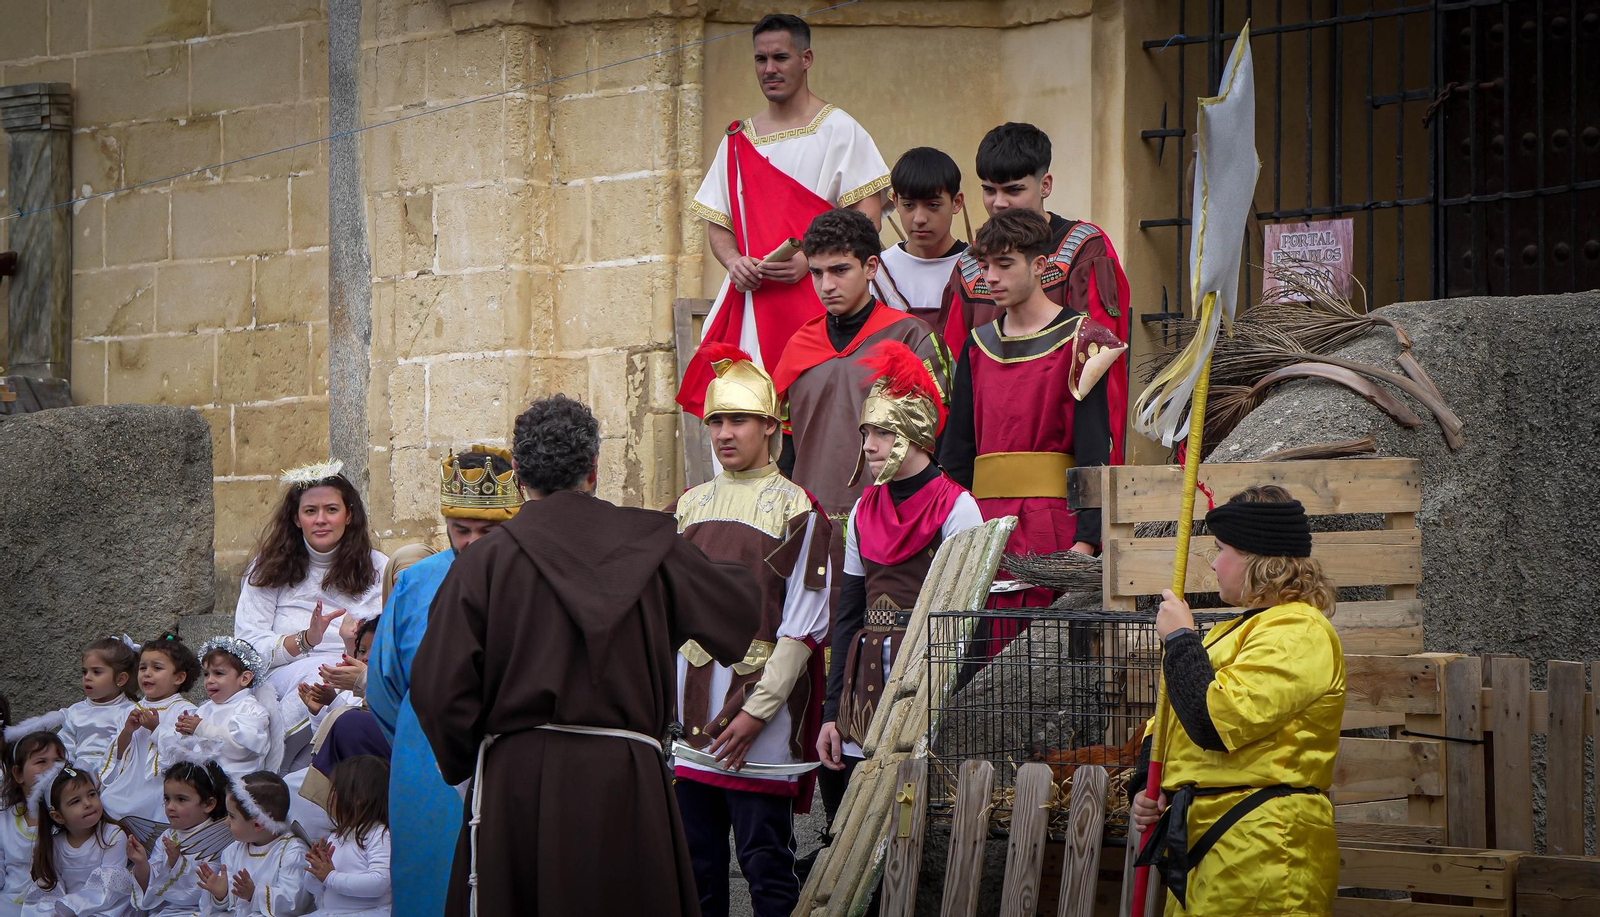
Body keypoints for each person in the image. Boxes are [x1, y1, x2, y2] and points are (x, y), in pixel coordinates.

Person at [411, 395, 762, 917]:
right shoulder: (656, 549)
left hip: (517, 789)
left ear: (520, 476)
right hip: (627, 785)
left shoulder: (483, 562)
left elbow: (437, 686)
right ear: (595, 468)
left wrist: (477, 754)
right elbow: (737, 610)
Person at [1130, 486, 1345, 917]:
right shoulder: (1230, 633)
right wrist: (1145, 788)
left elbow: (1214, 721)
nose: (1213, 562)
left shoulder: (1297, 632)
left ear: (1258, 560)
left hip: (1264, 849)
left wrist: (1179, 639)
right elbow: (1168, 722)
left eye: (1222, 549)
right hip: (1209, 846)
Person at [674, 346, 830, 917]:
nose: (723, 433)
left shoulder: (800, 511)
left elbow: (803, 628)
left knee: (766, 865)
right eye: (715, 421)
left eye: (737, 419)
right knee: (697, 868)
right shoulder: (687, 508)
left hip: (759, 730)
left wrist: (755, 713)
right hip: (690, 726)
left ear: (770, 425)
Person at [678, 13, 892, 417]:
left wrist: (810, 262)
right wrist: (733, 262)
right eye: (761, 59)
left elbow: (869, 219)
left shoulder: (840, 130)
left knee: (820, 411)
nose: (769, 69)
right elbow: (718, 224)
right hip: (752, 305)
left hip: (820, 297)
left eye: (780, 57)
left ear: (806, 58)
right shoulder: (738, 139)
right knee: (745, 411)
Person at [937, 209, 1124, 649]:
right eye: (984, 266)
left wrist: (1087, 541)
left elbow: (1095, 450)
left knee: (1046, 654)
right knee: (977, 652)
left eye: (1005, 265)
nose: (991, 278)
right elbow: (958, 452)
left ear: (1040, 266)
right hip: (981, 524)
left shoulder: (1083, 339)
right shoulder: (977, 343)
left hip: (1053, 525)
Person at [814, 341, 983, 822]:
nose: (868, 444)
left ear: (914, 433)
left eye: (883, 432)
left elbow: (962, 628)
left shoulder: (958, 508)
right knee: (844, 820)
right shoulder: (863, 509)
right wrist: (831, 713)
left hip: (924, 686)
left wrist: (947, 713)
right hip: (860, 687)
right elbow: (847, 617)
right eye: (867, 431)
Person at [365, 447, 521, 917]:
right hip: (426, 767)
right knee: (430, 889)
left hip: (510, 758)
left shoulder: (535, 580)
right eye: (461, 530)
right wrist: (425, 737)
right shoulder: (416, 584)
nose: (472, 543)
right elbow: (383, 685)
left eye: (488, 532)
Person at [771, 209, 947, 613]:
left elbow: (935, 442)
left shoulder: (910, 336)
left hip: (892, 522)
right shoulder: (799, 344)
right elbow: (786, 446)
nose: (826, 285)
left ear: (871, 267)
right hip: (809, 523)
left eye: (839, 270)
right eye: (816, 273)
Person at [936, 123, 1133, 463]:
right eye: (988, 190)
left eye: (1013, 190)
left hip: (1063, 457)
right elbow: (952, 371)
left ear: (1045, 185)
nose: (998, 203)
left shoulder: (1085, 250)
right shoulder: (970, 268)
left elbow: (1101, 370)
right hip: (985, 459)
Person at [233, 461, 387, 755]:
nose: (321, 520)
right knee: (317, 680)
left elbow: (390, 640)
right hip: (286, 673)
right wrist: (304, 640)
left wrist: (352, 642)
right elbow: (246, 645)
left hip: (354, 672)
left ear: (349, 515)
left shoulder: (378, 567)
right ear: (295, 518)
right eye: (310, 511)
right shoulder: (267, 568)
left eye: (331, 509)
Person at [101, 634, 203, 820]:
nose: (147, 673)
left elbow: (182, 755)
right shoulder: (130, 710)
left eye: (157, 668)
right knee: (107, 800)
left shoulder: (186, 712)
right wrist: (127, 731)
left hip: (160, 786)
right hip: (129, 784)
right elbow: (117, 753)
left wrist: (156, 729)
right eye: (142, 667)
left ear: (179, 677)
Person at [23, 763, 133, 917]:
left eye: (92, 794)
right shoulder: (55, 844)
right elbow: (52, 888)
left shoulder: (113, 835)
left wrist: (68, 907)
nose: (88, 804)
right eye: (75, 801)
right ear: (58, 816)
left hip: (106, 910)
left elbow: (108, 891)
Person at [196, 773, 311, 917]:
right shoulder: (233, 851)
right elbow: (230, 906)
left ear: (258, 824)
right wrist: (222, 893)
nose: (226, 822)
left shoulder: (293, 852)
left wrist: (254, 894)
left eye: (232, 816)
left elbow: (294, 903)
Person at [129, 757, 232, 917]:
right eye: (167, 798)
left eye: (181, 799)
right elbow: (153, 889)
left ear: (208, 804)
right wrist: (141, 863)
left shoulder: (221, 836)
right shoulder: (168, 836)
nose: (170, 807)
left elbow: (201, 893)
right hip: (166, 910)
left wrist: (177, 863)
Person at [877, 147, 970, 323]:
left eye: (933, 205)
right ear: (895, 202)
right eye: (909, 205)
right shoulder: (878, 272)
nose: (919, 219)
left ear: (956, 202)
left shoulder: (980, 270)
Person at [174, 639, 279, 778]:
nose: (209, 680)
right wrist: (187, 734)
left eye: (218, 673)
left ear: (245, 678)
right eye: (206, 674)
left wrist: (201, 728)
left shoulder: (251, 709)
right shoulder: (204, 709)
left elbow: (241, 748)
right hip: (203, 784)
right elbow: (196, 749)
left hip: (237, 786)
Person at [303, 756, 391, 917]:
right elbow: (314, 890)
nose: (331, 796)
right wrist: (317, 870)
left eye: (336, 790)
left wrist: (330, 877)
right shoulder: (337, 837)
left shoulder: (379, 835)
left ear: (358, 798)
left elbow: (381, 882)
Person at [1, 724, 66, 917]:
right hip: (9, 899)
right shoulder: (6, 816)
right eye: (41, 761)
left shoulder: (66, 816)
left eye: (58, 761)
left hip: (52, 902)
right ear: (18, 774)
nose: (52, 768)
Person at [59, 637, 140, 784]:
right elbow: (64, 748)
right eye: (84, 672)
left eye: (96, 672)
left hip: (115, 776)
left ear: (120, 679)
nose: (87, 678)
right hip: (78, 779)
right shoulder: (75, 712)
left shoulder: (131, 710)